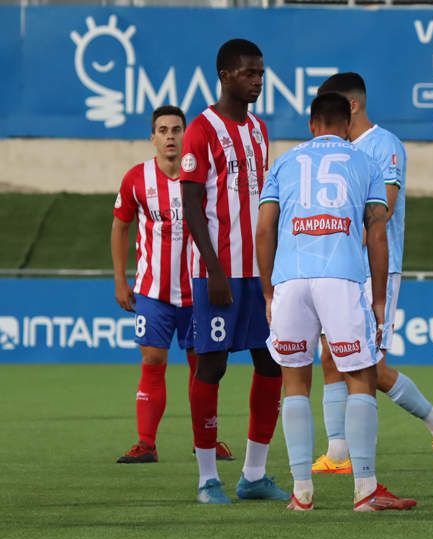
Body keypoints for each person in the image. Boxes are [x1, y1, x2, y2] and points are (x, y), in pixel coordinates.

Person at [256, 92, 416, 512]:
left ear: (311, 124)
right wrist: (378, 298)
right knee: (361, 375)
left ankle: (302, 492)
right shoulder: (365, 162)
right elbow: (378, 231)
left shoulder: (283, 162)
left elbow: (264, 229)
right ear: (348, 125)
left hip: (290, 281)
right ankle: (365, 490)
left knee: (294, 381)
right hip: (341, 278)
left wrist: (269, 290)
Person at [309, 72, 433, 475]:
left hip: (376, 269)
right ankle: (339, 452)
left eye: (334, 107)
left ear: (352, 105)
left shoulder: (384, 145)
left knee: (369, 366)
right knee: (329, 356)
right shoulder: (334, 151)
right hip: (338, 269)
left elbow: (383, 210)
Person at [180, 39, 288, 505]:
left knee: (271, 362)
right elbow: (190, 201)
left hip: (258, 272)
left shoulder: (260, 130)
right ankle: (207, 479)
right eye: (249, 73)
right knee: (214, 363)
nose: (258, 81)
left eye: (261, 73)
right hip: (217, 272)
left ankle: (254, 474)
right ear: (225, 75)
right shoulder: (201, 130)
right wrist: (213, 268)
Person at [111, 105, 233, 464]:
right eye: (162, 130)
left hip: (197, 291)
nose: (170, 136)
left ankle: (204, 443)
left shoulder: (204, 177)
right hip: (154, 291)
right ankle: (146, 443)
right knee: (152, 359)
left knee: (203, 367)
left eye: (176, 130)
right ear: (152, 138)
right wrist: (120, 280)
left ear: (185, 135)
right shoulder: (136, 179)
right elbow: (120, 227)